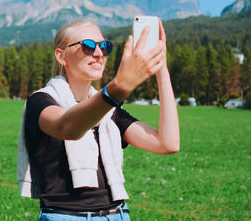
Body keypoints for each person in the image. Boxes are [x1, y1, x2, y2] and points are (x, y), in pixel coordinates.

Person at [17, 19, 180, 221]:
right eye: (88, 46)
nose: (99, 53)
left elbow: (167, 143)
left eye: (105, 46)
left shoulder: (109, 113)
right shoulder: (40, 102)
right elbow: (68, 127)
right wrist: (118, 88)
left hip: (118, 215)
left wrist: (161, 70)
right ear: (61, 56)